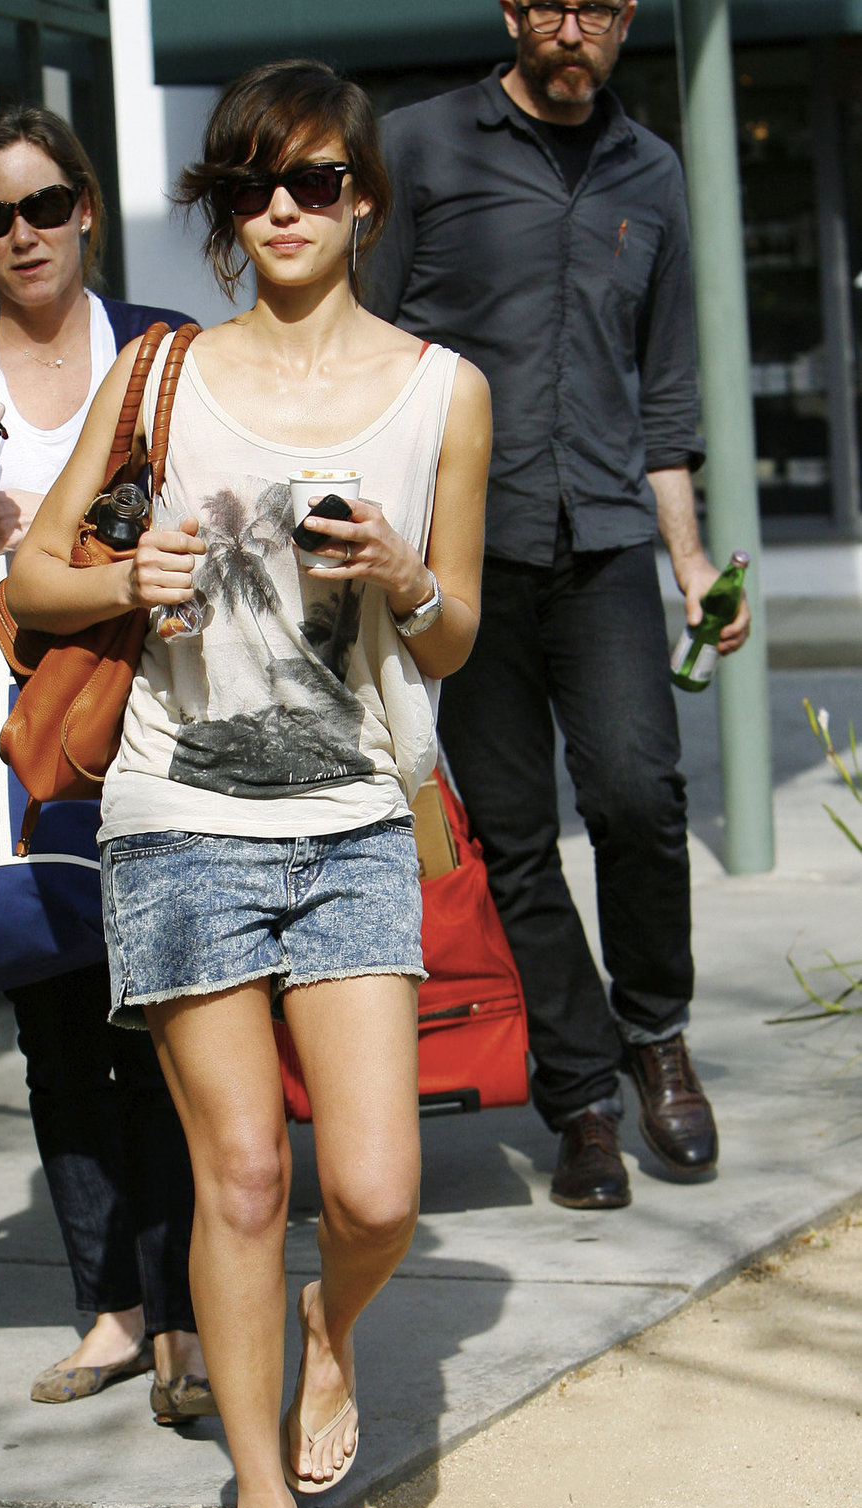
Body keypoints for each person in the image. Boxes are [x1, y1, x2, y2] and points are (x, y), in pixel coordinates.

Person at [6, 59, 489, 1508]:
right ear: (224, 207)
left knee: (370, 1191)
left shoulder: (441, 391)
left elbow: (456, 638)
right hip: (179, 815)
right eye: (255, 184)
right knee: (241, 1173)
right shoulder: (160, 372)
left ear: (365, 198)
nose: (288, 208)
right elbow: (32, 584)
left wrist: (407, 571)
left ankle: (329, 1332)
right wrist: (126, 575)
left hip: (351, 811)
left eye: (321, 181)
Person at [367, 1, 752, 1211]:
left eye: (599, 6)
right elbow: (370, 349)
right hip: (463, 561)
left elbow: (668, 386)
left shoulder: (653, 168)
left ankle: (657, 1033)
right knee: (518, 839)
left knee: (642, 796)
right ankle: (580, 1098)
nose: (574, 28)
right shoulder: (420, 145)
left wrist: (690, 563)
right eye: (554, 5)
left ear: (626, 18)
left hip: (607, 543)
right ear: (515, 13)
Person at [0, 106, 214, 1423]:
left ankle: (191, 1306)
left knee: (175, 1016)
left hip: (152, 709)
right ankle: (112, 1308)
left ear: (83, 206)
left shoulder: (155, 349)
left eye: (40, 206)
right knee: (57, 1020)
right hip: (3, 726)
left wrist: (83, 534)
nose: (19, 235)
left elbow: (198, 494)